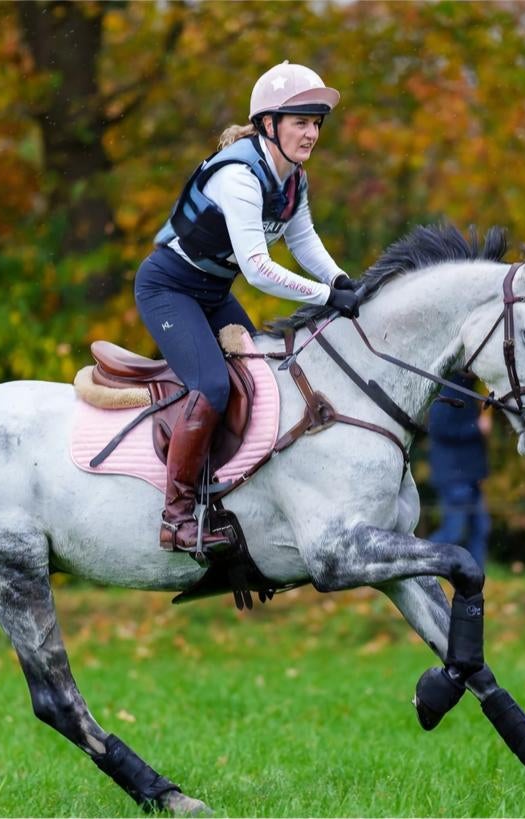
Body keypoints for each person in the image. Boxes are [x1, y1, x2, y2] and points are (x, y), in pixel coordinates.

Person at [135, 61, 360, 553]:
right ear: (267, 125)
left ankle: (230, 494)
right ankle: (175, 518)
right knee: (213, 385)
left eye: (317, 122)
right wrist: (327, 297)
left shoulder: (293, 177)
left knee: (263, 377)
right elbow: (258, 269)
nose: (312, 133)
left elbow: (304, 242)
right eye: (301, 121)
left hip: (212, 294)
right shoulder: (239, 175)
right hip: (168, 288)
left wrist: (341, 280)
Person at [426, 373, 492, 568]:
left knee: (480, 529)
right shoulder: (447, 392)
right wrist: (477, 428)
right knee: (453, 533)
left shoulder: (468, 390)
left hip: (471, 476)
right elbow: (438, 428)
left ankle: (475, 579)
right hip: (454, 476)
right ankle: (418, 563)